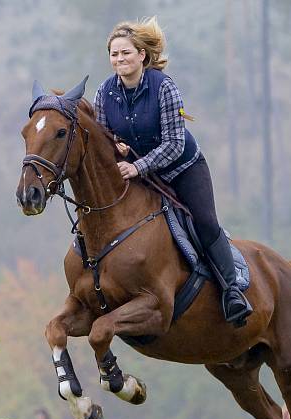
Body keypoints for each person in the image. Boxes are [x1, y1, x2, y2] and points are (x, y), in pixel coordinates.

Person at [93, 16, 252, 326]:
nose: (119, 59)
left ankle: (232, 291)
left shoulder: (164, 87)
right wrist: (116, 149)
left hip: (182, 168)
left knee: (204, 222)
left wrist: (136, 165)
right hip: (138, 174)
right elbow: (103, 140)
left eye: (126, 52)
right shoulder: (103, 93)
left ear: (142, 55)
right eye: (114, 54)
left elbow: (174, 146)